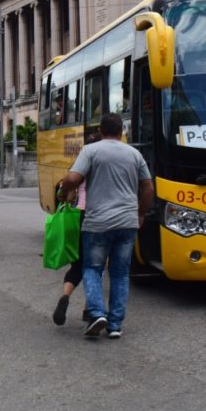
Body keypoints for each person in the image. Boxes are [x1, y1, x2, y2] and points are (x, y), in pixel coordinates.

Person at [60, 114, 153, 339]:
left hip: (97, 223)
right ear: (121, 132)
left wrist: (65, 188)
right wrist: (140, 213)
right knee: (120, 273)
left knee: (92, 268)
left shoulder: (91, 151)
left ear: (101, 131)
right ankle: (115, 325)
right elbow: (148, 188)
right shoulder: (135, 154)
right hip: (127, 222)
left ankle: (97, 312)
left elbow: (73, 178)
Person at [52, 133, 101, 326]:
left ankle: (65, 297)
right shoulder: (105, 167)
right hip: (100, 217)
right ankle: (90, 309)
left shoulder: (79, 169)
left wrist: (66, 194)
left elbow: (64, 194)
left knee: (78, 265)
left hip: (80, 217)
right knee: (96, 266)